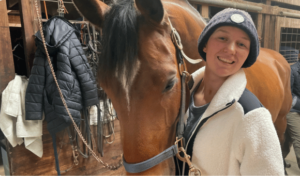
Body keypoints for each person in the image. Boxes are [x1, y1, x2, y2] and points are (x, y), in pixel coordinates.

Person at [179, 8, 284, 175]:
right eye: (222, 38)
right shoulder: (182, 94)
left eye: (241, 44)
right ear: (205, 44)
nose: (231, 49)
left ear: (247, 55)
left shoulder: (252, 117)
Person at [283, 55, 300, 169]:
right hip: (292, 110)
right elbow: (288, 94)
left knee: (287, 140)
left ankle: (277, 161)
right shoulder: (292, 70)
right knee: (298, 139)